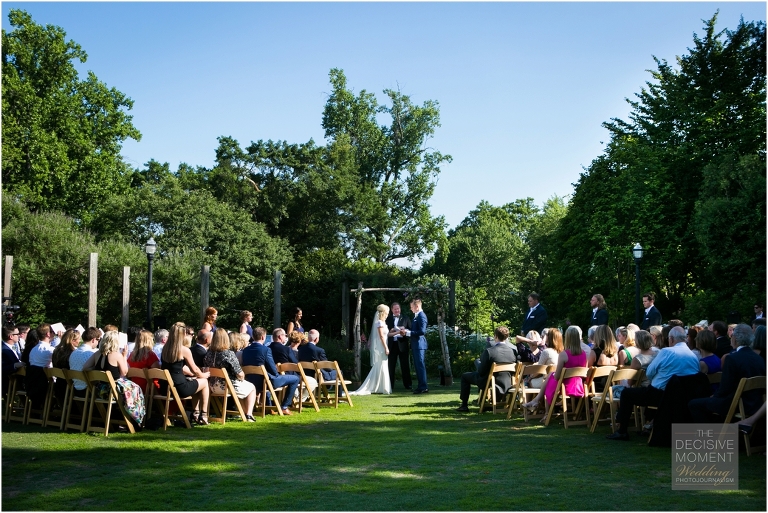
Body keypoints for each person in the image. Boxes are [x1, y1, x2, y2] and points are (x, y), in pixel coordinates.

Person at [607, 326, 699, 441]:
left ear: (671, 339)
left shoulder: (667, 352)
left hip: (660, 395)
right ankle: (648, 424)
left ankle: (622, 430)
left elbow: (650, 372)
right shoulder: (693, 356)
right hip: (684, 397)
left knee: (626, 393)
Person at [688, 324, 765, 422]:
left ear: (735, 339)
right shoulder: (759, 359)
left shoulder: (732, 358)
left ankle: (709, 431)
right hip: (756, 404)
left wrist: (713, 397)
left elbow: (725, 388)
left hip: (735, 404)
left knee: (693, 404)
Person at [82, 330, 146, 426]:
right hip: (112, 391)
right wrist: (124, 356)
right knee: (136, 389)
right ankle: (136, 418)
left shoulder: (97, 354)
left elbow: (85, 368)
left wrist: (97, 370)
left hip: (99, 390)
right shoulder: (116, 355)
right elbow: (124, 372)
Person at [523, 326, 587, 413]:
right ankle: (537, 402)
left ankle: (541, 407)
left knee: (550, 376)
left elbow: (557, 377)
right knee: (550, 375)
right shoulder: (584, 354)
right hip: (579, 385)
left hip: (565, 386)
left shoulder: (564, 354)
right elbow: (585, 373)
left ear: (567, 338)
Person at [455, 326, 517, 412]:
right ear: (507, 337)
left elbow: (481, 371)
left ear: (495, 336)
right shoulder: (513, 352)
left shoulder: (490, 351)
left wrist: (478, 364)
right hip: (508, 382)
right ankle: (487, 403)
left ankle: (464, 405)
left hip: (490, 381)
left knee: (465, 376)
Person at [242, 326, 300, 415]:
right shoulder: (266, 350)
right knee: (295, 379)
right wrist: (276, 374)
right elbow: (273, 370)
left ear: (253, 337)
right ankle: (284, 407)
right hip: (265, 382)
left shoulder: (245, 350)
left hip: (251, 381)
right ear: (263, 337)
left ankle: (268, 406)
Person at [161, 323, 210, 425]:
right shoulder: (184, 350)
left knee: (196, 382)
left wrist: (196, 375)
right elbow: (195, 369)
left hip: (165, 387)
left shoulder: (165, 349)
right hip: (179, 387)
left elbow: (177, 367)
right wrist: (204, 375)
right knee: (204, 382)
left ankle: (196, 413)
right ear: (182, 335)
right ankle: (204, 414)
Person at [204, 329, 257, 422]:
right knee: (252, 387)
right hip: (227, 386)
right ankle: (249, 414)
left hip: (212, 387)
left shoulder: (208, 353)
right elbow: (239, 373)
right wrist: (242, 378)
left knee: (244, 387)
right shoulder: (228, 353)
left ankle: (244, 413)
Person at [351, 304, 392, 395]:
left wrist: (395, 332)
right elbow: (381, 337)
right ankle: (382, 387)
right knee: (381, 365)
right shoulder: (379, 323)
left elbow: (386, 335)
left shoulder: (383, 323)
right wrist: (386, 347)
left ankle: (381, 386)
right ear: (383, 313)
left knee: (382, 366)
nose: (387, 315)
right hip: (381, 347)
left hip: (383, 345)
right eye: (386, 313)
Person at [402, 298, 428, 394]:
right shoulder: (416, 316)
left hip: (419, 344)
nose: (411, 309)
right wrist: (406, 330)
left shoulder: (421, 316)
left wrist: (408, 333)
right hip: (416, 344)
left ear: (417, 306)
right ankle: (421, 386)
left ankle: (423, 387)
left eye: (412, 307)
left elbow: (422, 331)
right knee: (418, 366)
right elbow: (415, 329)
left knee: (420, 366)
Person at [50, 328, 81, 407]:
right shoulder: (73, 354)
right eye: (78, 339)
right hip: (70, 388)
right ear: (73, 340)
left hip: (58, 385)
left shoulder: (56, 351)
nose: (80, 341)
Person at [386, 302, 412, 391]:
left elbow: (410, 329)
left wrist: (405, 330)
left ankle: (408, 384)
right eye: (395, 309)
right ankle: (390, 385)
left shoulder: (405, 318)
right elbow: (385, 331)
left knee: (405, 365)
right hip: (392, 345)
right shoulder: (388, 319)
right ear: (392, 310)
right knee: (391, 365)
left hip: (402, 343)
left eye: (398, 309)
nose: (397, 310)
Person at [68, 327, 101, 397]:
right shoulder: (91, 354)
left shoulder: (73, 353)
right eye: (98, 340)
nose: (98, 342)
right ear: (93, 340)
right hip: (89, 390)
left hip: (75, 389)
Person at [2, 325, 26, 398]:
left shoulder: (12, 346)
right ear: (11, 336)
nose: (19, 335)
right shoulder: (3, 350)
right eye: (17, 334)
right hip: (11, 383)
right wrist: (15, 365)